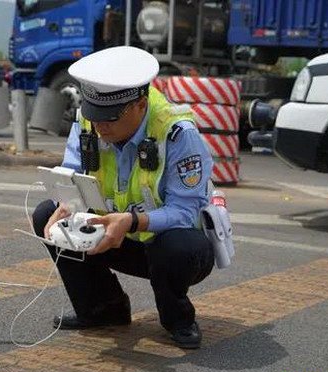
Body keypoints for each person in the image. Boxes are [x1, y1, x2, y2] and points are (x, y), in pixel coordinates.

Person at [32, 46, 215, 349]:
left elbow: (185, 212)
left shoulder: (177, 133)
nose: (100, 126)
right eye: (94, 116)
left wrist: (131, 221)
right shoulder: (89, 123)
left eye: (110, 118)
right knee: (45, 215)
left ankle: (178, 319)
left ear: (140, 105)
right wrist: (65, 205)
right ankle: (102, 308)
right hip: (112, 235)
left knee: (178, 246)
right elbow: (71, 173)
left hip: (168, 246)